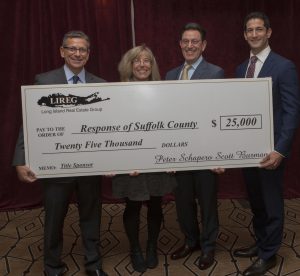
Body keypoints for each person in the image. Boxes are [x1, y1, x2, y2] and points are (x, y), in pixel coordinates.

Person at [13, 31, 108, 276]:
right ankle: (52, 266)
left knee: (92, 217)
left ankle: (93, 264)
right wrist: (21, 158)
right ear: (62, 51)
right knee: (54, 219)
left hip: (90, 165)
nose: (77, 53)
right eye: (72, 48)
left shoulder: (101, 85)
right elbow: (29, 123)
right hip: (56, 166)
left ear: (89, 54)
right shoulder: (44, 81)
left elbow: (109, 126)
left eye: (83, 50)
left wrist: (112, 158)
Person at [233, 12, 300, 276]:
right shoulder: (241, 69)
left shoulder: (284, 66)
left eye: (259, 29)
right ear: (245, 35)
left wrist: (281, 150)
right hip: (247, 152)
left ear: (269, 32)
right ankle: (261, 243)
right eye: (249, 30)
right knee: (256, 201)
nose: (254, 34)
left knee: (271, 202)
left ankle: (269, 254)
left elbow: (292, 111)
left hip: (272, 151)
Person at [111, 45, 177, 273]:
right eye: (136, 60)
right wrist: (122, 161)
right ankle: (135, 249)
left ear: (152, 65)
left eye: (147, 60)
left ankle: (151, 247)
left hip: (157, 160)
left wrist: (170, 157)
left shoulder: (163, 92)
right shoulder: (116, 94)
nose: (142, 65)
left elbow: (171, 126)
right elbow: (113, 130)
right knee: (133, 205)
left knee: (156, 204)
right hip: (130, 162)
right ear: (128, 65)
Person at [165, 23, 224, 270]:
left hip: (206, 152)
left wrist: (221, 154)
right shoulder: (170, 76)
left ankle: (208, 247)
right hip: (180, 153)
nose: (190, 46)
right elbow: (164, 117)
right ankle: (191, 241)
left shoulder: (216, 73)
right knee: (183, 202)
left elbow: (220, 115)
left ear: (203, 45)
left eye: (195, 42)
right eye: (185, 41)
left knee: (207, 203)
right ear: (180, 44)